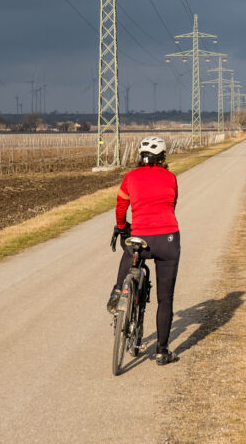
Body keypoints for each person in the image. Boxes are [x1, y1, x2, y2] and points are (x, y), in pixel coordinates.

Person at [107, 136, 181, 365]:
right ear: (163, 158)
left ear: (140, 157)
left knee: (130, 254)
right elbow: (172, 203)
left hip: (140, 236)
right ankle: (161, 351)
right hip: (168, 239)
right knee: (165, 299)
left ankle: (119, 291)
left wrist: (122, 227)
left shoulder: (130, 178)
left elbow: (121, 207)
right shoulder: (171, 178)